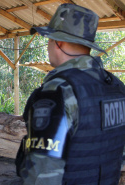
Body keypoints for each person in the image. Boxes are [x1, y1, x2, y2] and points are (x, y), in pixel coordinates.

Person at [15, 3, 125, 185]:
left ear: (58, 42)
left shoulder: (58, 91)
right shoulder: (117, 88)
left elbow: (42, 174)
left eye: (49, 39)